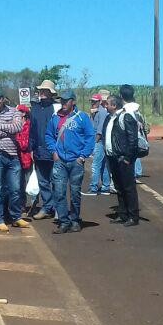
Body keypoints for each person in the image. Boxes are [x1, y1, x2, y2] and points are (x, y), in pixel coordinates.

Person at [46, 89, 95, 234]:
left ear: (73, 101)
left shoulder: (82, 118)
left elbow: (90, 137)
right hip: (60, 160)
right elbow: (49, 135)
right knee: (59, 192)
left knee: (75, 192)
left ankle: (74, 219)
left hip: (76, 161)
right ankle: (63, 221)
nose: (63, 103)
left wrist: (82, 156)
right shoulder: (55, 117)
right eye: (62, 100)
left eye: (66, 100)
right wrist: (54, 152)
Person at [0, 88, 30, 231]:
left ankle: (16, 217)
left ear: (3, 98)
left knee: (15, 189)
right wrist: (9, 129)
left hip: (13, 156)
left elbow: (18, 126)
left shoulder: (14, 111)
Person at [107, 87, 142, 226]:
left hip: (123, 158)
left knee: (128, 188)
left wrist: (128, 157)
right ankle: (123, 214)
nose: (106, 106)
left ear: (115, 105)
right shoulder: (113, 118)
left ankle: (133, 216)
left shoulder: (125, 116)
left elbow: (132, 140)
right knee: (119, 188)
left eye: (108, 103)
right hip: (114, 158)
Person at [28, 79, 58, 220]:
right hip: (39, 150)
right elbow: (32, 130)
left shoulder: (57, 108)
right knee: (43, 181)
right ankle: (47, 207)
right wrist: (31, 148)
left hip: (54, 150)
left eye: (46, 91)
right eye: (41, 91)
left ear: (51, 93)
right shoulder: (34, 108)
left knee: (56, 180)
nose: (43, 93)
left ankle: (58, 208)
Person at [87, 92, 113, 195]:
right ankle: (105, 187)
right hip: (98, 141)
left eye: (95, 101)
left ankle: (93, 187)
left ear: (100, 102)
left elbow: (100, 130)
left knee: (96, 165)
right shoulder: (94, 112)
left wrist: (94, 142)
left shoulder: (102, 113)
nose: (93, 103)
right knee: (103, 165)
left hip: (99, 141)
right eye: (92, 101)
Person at [15, 104, 34, 216]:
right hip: (17, 158)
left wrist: (16, 140)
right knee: (19, 183)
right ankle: (22, 205)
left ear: (24, 113)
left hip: (26, 158)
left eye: (20, 112)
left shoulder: (28, 126)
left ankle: (32, 204)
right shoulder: (16, 124)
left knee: (28, 182)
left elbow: (24, 144)